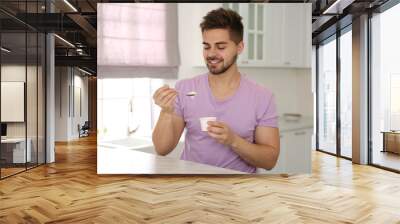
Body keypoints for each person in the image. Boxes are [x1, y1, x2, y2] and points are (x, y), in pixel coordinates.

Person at [152, 8, 280, 173]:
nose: (211, 54)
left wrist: (233, 140)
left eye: (220, 47)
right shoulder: (185, 88)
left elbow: (270, 161)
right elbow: (162, 149)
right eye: (206, 47)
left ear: (239, 47)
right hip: (193, 187)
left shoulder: (262, 97)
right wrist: (166, 112)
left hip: (239, 191)